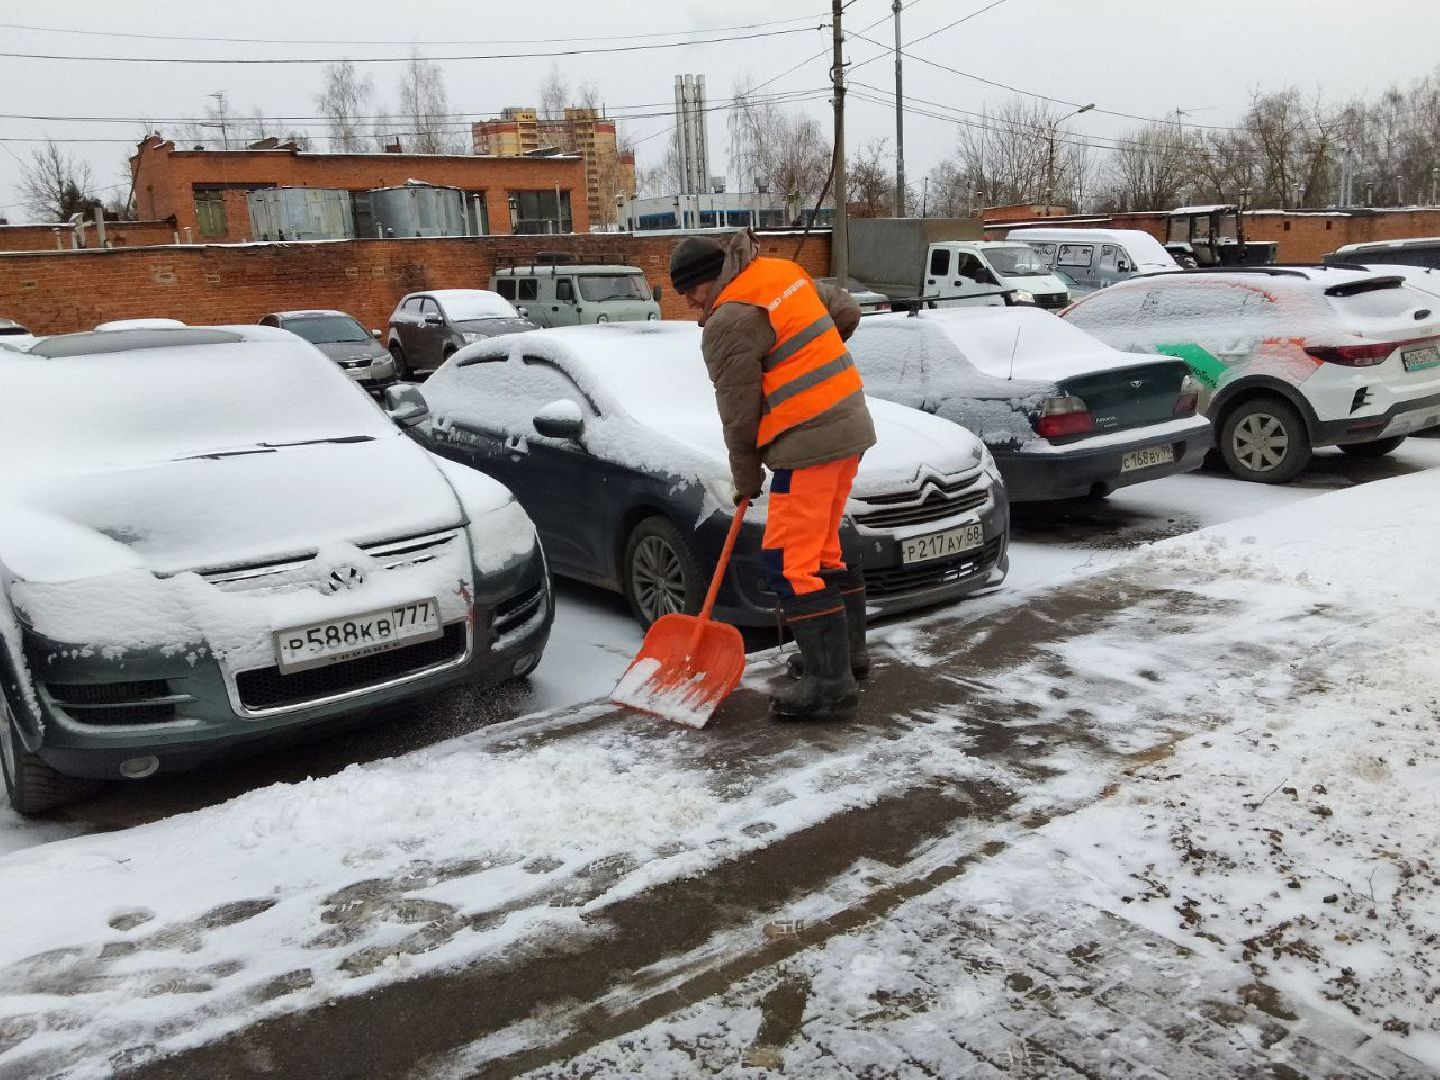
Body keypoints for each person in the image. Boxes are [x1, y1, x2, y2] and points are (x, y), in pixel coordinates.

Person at [669, 228, 875, 720]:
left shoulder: (729, 321)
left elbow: (738, 413)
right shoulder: (778, 272)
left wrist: (746, 477)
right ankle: (847, 658)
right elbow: (845, 310)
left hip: (808, 442)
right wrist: (808, 358)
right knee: (821, 551)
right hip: (849, 425)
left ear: (705, 281)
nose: (693, 305)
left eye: (689, 293)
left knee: (787, 562)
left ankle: (830, 683)